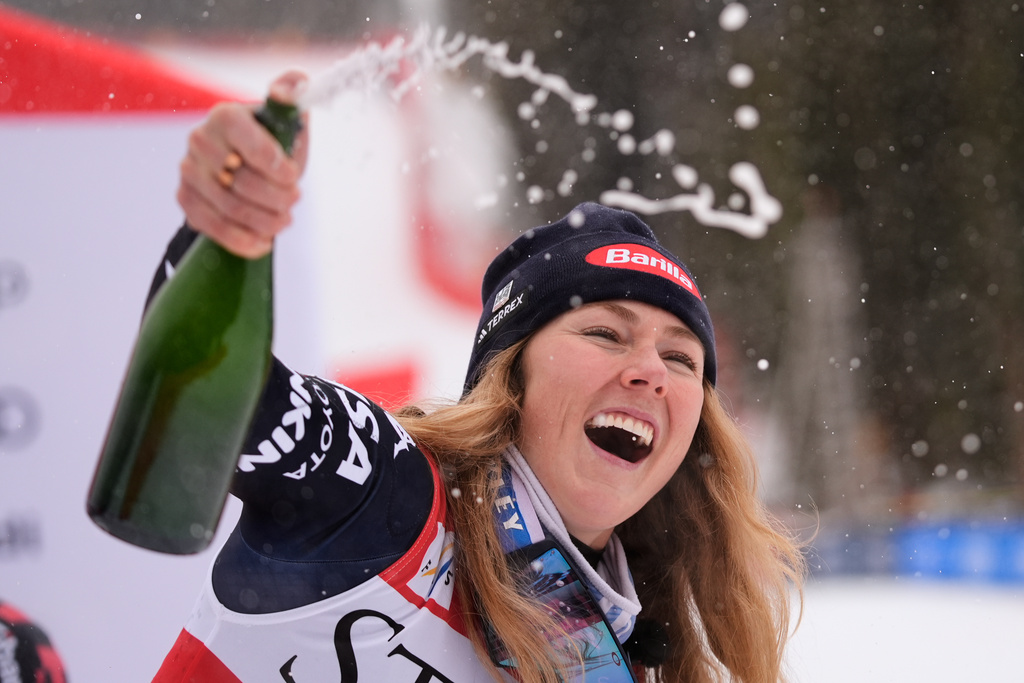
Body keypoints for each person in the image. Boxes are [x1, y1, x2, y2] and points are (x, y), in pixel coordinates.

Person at [152, 71, 805, 683]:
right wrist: (221, 235)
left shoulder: (628, 641)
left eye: (682, 359)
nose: (650, 372)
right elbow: (207, 392)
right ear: (509, 375)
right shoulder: (388, 494)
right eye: (605, 333)